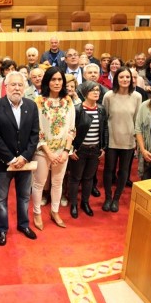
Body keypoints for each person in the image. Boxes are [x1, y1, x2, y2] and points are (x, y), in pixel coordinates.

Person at [0, 71, 40, 246]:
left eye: (20, 85)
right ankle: (2, 229)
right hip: (3, 163)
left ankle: (23, 225)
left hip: (25, 162)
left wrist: (24, 157)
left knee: (24, 196)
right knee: (1, 199)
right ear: (6, 87)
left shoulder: (32, 106)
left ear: (24, 87)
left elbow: (34, 135)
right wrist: (11, 159)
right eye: (13, 85)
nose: (16, 88)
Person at [31, 67, 76, 230]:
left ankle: (55, 211)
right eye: (53, 79)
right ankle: (37, 213)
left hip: (62, 151)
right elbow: (37, 129)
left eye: (59, 80)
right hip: (43, 151)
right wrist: (48, 152)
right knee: (39, 183)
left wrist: (66, 151)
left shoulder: (68, 100)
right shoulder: (39, 101)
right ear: (47, 82)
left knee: (58, 183)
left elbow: (72, 128)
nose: (57, 83)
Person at [102, 67, 142, 212]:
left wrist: (137, 141)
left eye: (127, 77)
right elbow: (105, 118)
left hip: (129, 139)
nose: (125, 80)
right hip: (112, 139)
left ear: (131, 79)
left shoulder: (137, 96)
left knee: (124, 170)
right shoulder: (108, 96)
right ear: (116, 79)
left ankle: (116, 199)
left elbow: (137, 119)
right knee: (109, 169)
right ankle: (107, 197)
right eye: (121, 77)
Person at [67, 81, 106, 219]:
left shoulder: (101, 109)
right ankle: (73, 204)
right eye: (92, 90)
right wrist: (71, 150)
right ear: (85, 93)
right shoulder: (77, 109)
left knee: (89, 178)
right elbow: (70, 131)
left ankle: (85, 202)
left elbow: (104, 130)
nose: (96, 92)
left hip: (94, 150)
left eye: (98, 90)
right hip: (80, 150)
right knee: (75, 178)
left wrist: (103, 147)